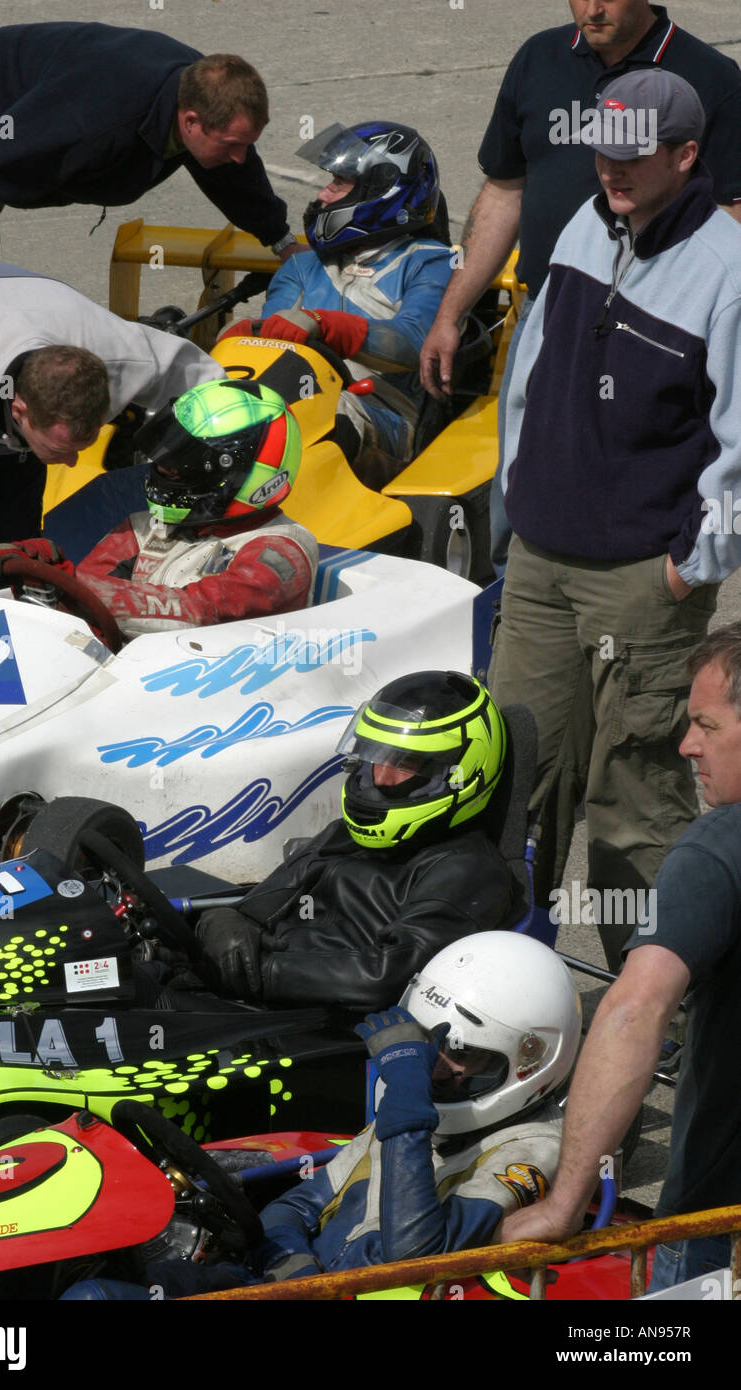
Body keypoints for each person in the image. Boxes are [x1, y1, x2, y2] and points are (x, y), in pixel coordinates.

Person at [486, 68, 741, 972]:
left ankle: (658, 1002)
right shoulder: (585, 226)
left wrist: (693, 564)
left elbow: (739, 445)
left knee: (634, 801)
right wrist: (516, 493)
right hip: (541, 565)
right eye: (601, 151)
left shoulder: (726, 271)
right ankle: (507, 988)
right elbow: (530, 368)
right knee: (516, 782)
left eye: (633, 156)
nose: (611, 171)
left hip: (639, 583)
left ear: (686, 154)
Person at [62, 931, 582, 1298]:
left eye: (464, 1054)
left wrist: (405, 1099)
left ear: (531, 1061)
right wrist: (292, 1264)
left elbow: (416, 1252)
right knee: (91, 1291)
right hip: (293, 1286)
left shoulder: (533, 1149)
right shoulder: (415, 1116)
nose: (435, 1066)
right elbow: (295, 1206)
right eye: (429, 1042)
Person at [418, 0, 741, 573]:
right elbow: (504, 191)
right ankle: (517, 621)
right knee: (515, 507)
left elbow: (730, 223)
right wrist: (451, 311)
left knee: (628, 500)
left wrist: (685, 570)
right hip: (551, 314)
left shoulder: (712, 81)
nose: (591, 8)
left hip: (659, 336)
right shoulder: (538, 61)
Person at [500, 622, 741, 1294]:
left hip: (716, 1230)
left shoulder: (716, 850)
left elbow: (636, 1007)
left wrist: (562, 1201)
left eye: (707, 726)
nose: (687, 745)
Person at [0, 261, 222, 617]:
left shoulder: (121, 359)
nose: (71, 463)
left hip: (27, 303)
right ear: (21, 410)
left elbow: (215, 387)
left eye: (80, 448)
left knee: (17, 554)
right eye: (61, 449)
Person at [0, 25, 303, 297]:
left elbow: (237, 177)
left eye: (247, 144)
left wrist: (282, 242)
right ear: (190, 121)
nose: (240, 157)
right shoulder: (94, 117)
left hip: (5, 119)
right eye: (231, 144)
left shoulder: (200, 94)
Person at [193, 670, 516, 1008]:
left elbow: (393, 977)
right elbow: (254, 911)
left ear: (462, 774)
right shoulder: (343, 835)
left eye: (406, 763)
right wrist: (216, 923)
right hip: (255, 994)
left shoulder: (469, 869)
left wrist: (264, 971)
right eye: (376, 755)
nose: (381, 776)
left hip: (329, 1030)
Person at [220, 121, 452, 486]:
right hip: (292, 395)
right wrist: (241, 337)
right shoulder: (301, 267)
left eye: (339, 184)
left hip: (384, 413)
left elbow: (419, 343)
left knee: (322, 417)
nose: (323, 195)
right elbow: (272, 344)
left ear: (382, 192)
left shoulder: (431, 262)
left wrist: (324, 324)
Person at [52, 379, 318, 639]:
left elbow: (203, 611)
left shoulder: (283, 550)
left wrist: (65, 586)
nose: (161, 468)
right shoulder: (144, 526)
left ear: (235, 473)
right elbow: (84, 594)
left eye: (178, 464)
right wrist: (48, 576)